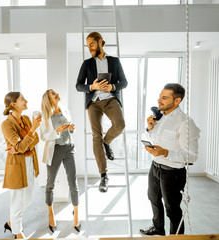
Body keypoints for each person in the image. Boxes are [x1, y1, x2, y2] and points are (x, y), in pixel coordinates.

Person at [139, 83, 200, 236]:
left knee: (172, 209)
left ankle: (176, 238)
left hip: (173, 173)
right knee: (153, 198)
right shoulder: (160, 117)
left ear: (177, 101)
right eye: (160, 96)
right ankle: (158, 228)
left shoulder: (186, 123)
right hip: (155, 167)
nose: (159, 100)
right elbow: (150, 139)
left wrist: (166, 152)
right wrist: (149, 128)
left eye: (164, 98)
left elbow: (192, 157)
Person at [76, 31, 128, 192]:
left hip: (110, 99)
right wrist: (93, 86)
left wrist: (112, 86)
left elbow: (124, 82)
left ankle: (107, 142)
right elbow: (78, 85)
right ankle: (103, 176)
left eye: (91, 44)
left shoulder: (114, 61)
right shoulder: (87, 63)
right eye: (87, 45)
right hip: (93, 102)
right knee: (95, 136)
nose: (89, 48)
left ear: (99, 42)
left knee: (119, 125)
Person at [1, 92, 42, 239]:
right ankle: (17, 233)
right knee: (17, 201)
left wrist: (21, 146)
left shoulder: (25, 119)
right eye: (22, 99)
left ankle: (12, 222)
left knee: (28, 199)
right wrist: (30, 133)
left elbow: (35, 140)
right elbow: (22, 145)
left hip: (30, 162)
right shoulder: (6, 124)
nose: (26, 101)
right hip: (17, 166)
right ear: (13, 104)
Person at [40, 89, 80, 233]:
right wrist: (57, 130)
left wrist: (71, 129)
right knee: (50, 184)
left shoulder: (65, 110)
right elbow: (43, 136)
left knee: (73, 182)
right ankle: (51, 214)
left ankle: (76, 214)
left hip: (69, 147)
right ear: (48, 99)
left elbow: (70, 129)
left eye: (57, 93)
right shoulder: (45, 116)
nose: (57, 94)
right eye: (53, 94)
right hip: (55, 150)